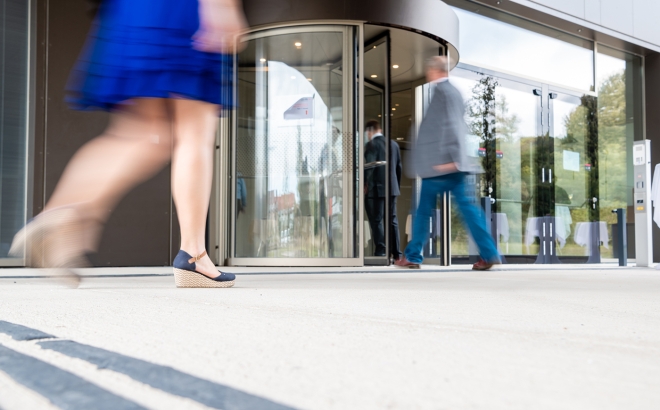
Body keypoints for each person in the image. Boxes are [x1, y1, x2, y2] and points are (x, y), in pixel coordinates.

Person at [9, 0, 247, 288]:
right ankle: (193, 254)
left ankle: (63, 214)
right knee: (194, 133)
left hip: (136, 10)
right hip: (185, 11)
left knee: (145, 132)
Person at [395, 56, 501, 270]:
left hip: (442, 166)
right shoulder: (450, 92)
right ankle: (489, 253)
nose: (428, 74)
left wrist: (452, 161)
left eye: (429, 70)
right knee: (467, 210)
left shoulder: (444, 92)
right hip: (447, 165)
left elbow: (453, 125)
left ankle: (413, 256)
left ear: (435, 71)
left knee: (423, 211)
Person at [364, 120, 402, 260]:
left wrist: (364, 184)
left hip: (376, 188)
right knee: (392, 219)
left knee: (377, 219)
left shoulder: (371, 145)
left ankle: (381, 250)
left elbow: (369, 166)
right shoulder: (394, 144)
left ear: (370, 131)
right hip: (392, 188)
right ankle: (397, 253)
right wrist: (396, 186)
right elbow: (399, 168)